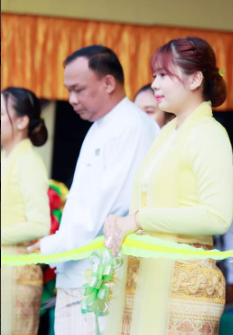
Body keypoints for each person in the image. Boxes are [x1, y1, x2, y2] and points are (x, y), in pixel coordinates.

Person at [104, 37, 233, 335]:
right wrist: (122, 222)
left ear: (195, 78)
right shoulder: (166, 135)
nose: (155, 84)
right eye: (154, 76)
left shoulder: (209, 134)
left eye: (164, 75)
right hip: (147, 275)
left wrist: (138, 220)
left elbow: (217, 217)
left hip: (184, 285)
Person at [33, 46, 159, 335]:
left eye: (78, 89)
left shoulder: (131, 126)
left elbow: (106, 210)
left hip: (99, 276)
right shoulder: (102, 125)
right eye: (69, 90)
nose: (71, 100)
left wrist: (51, 246)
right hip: (80, 269)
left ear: (108, 82)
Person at [1, 88, 51, 335]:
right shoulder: (6, 159)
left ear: (21, 121)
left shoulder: (28, 161)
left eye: (1, 114)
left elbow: (39, 225)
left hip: (17, 278)